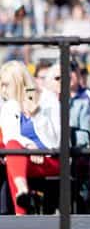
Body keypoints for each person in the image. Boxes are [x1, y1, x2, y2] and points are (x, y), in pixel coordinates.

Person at [0, 61, 60, 214]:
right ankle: (22, 190)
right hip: (24, 159)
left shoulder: (49, 99)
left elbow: (57, 140)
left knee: (13, 159)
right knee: (13, 149)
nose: (2, 89)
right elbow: (10, 137)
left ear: (18, 82)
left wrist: (37, 115)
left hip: (50, 159)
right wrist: (29, 147)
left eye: (6, 84)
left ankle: (21, 212)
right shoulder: (9, 106)